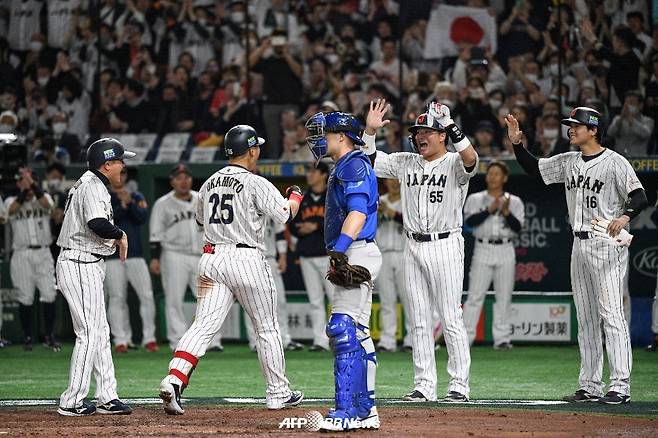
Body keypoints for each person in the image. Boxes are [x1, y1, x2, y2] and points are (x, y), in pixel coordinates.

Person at [505, 107, 649, 404]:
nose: (570, 129)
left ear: (593, 129)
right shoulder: (569, 161)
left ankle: (620, 385)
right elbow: (535, 169)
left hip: (606, 242)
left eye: (577, 125)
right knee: (586, 318)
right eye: (570, 125)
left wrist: (625, 216)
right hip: (579, 243)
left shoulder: (615, 162)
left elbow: (640, 196)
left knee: (611, 315)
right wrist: (517, 144)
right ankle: (590, 385)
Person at [159, 125, 304, 414]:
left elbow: (201, 222)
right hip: (246, 259)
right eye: (257, 147)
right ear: (251, 150)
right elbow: (285, 215)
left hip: (211, 259)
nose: (258, 150)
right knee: (266, 328)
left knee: (202, 326)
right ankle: (278, 393)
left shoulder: (209, 182)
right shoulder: (255, 182)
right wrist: (295, 195)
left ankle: (175, 378)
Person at [361, 99, 478, 403]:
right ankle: (424, 384)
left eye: (428, 130)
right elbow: (370, 160)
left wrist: (452, 125)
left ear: (442, 136)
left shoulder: (453, 162)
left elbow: (470, 158)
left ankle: (459, 385)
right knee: (419, 319)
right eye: (417, 131)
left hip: (446, 243)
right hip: (411, 244)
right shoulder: (406, 161)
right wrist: (370, 131)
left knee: (450, 317)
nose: (420, 136)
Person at [305, 110, 381, 431]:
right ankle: (366, 410)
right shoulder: (346, 164)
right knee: (359, 334)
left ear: (341, 136)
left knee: (341, 328)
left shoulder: (352, 164)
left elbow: (358, 212)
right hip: (354, 249)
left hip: (356, 249)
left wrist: (340, 249)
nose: (318, 139)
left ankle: (345, 411)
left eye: (324, 133)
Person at [56, 137, 134, 416]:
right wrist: (120, 235)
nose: (123, 165)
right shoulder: (92, 185)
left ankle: (106, 396)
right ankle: (72, 400)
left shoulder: (92, 183)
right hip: (78, 262)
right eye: (120, 161)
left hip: (86, 262)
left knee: (99, 332)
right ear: (107, 163)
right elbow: (97, 223)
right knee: (89, 333)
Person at [149, 164, 223, 352]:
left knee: (209, 299)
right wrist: (155, 258)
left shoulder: (202, 198)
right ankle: (178, 341)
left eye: (186, 177)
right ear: (172, 181)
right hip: (174, 255)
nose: (183, 181)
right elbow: (155, 234)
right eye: (178, 177)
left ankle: (212, 341)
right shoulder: (162, 203)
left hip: (201, 255)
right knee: (174, 299)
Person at [462, 162, 525, 349]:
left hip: (505, 248)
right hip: (483, 247)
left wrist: (506, 212)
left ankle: (502, 338)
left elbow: (518, 228)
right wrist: (489, 209)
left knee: (504, 296)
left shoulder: (514, 201)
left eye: (497, 174)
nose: (493, 177)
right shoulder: (475, 199)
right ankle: (466, 339)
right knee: (474, 296)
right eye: (490, 173)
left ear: (504, 178)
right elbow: (469, 222)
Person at [5, 168, 60, 351]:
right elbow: (11, 210)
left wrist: (32, 186)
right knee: (25, 297)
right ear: (18, 183)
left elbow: (47, 205)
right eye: (23, 181)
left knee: (49, 294)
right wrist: (24, 190)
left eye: (30, 181)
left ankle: (49, 336)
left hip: (43, 252)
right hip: (21, 254)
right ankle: (28, 337)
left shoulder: (43, 198)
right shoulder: (10, 200)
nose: (27, 185)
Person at [104, 167, 158, 353]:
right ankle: (121, 339)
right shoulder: (104, 195)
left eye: (124, 173)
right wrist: (122, 205)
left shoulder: (136, 196)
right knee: (117, 297)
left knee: (147, 296)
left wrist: (130, 203)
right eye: (119, 172)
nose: (121, 176)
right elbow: (106, 221)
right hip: (112, 254)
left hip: (135, 254)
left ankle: (149, 338)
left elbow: (142, 217)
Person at [289, 162, 334, 351]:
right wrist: (303, 230)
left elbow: (337, 221)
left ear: (324, 175)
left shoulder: (331, 196)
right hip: (307, 254)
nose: (310, 174)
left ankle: (338, 339)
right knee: (315, 301)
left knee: (335, 299)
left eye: (314, 171)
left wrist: (315, 226)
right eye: (309, 171)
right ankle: (320, 340)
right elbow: (292, 224)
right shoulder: (304, 198)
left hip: (328, 255)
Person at [245, 217, 304, 352]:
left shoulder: (270, 206)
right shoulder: (243, 204)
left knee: (279, 301)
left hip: (270, 258)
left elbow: (280, 233)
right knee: (251, 302)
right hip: (249, 258)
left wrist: (282, 256)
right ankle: (255, 341)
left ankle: (284, 339)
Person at [375, 178, 412, 353]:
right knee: (387, 300)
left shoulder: (410, 199)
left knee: (409, 300)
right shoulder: (378, 200)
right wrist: (378, 213)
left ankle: (412, 340)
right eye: (390, 180)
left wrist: (392, 213)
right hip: (383, 254)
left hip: (404, 253)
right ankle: (387, 340)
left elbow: (412, 224)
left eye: (397, 179)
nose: (394, 183)